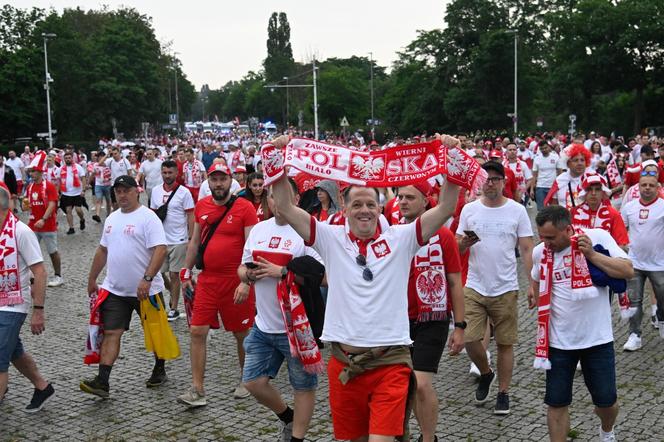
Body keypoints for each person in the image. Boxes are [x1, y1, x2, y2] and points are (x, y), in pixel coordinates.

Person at [270, 134, 461, 441]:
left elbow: (447, 207)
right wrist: (278, 160)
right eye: (356, 203)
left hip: (390, 363)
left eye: (371, 204)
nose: (364, 210)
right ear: (344, 207)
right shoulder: (329, 238)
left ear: (380, 208)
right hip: (344, 364)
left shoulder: (402, 238)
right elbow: (285, 207)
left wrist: (452, 158)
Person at [528, 206, 633, 442]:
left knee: (607, 402)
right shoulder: (540, 252)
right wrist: (533, 291)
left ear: (568, 229)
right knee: (556, 403)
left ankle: (607, 429)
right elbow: (535, 276)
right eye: (542, 237)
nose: (545, 243)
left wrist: (593, 256)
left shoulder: (597, 238)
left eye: (551, 237)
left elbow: (628, 270)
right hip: (557, 343)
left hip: (597, 340)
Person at [238, 180, 324, 442]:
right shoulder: (259, 230)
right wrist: (247, 275)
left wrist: (284, 272)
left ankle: (296, 438)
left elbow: (324, 275)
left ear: (296, 199)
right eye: (273, 196)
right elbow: (241, 267)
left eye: (284, 195)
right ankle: (288, 417)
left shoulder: (308, 231)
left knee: (302, 386)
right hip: (263, 325)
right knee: (252, 382)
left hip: (297, 329)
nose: (277, 202)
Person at [177, 162, 258, 407]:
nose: (219, 184)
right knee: (197, 331)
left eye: (223, 179)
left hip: (236, 281)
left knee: (242, 333)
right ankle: (197, 389)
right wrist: (185, 270)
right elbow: (194, 243)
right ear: (208, 181)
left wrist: (246, 281)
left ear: (231, 181)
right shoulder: (202, 206)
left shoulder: (245, 208)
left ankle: (248, 379)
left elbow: (252, 247)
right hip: (208, 280)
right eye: (214, 179)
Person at [456, 161, 534, 415]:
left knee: (505, 344)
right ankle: (486, 373)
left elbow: (526, 248)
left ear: (503, 181)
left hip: (506, 286)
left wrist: (533, 283)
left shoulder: (517, 211)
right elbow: (456, 246)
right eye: (486, 179)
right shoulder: (469, 210)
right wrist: (464, 244)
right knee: (470, 338)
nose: (490, 183)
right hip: (475, 285)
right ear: (479, 182)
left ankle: (503, 392)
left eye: (495, 179)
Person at [80, 175, 168, 397]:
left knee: (155, 333)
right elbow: (102, 250)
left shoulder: (149, 218)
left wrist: (147, 279)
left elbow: (160, 250)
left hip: (147, 290)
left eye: (126, 191)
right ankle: (102, 381)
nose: (122, 195)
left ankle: (160, 367)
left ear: (137, 191)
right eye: (118, 191)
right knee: (111, 332)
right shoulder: (111, 219)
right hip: (115, 290)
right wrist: (92, 278)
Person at [398, 182, 465, 442]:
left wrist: (460, 326)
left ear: (426, 201)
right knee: (407, 385)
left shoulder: (444, 236)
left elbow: (455, 282)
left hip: (432, 318)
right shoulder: (394, 232)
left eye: (410, 197)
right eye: (401, 197)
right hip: (399, 319)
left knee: (421, 383)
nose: (403, 201)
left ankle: (428, 439)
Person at [0, 182, 55, 412]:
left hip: (13, 304)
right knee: (13, 351)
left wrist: (38, 310)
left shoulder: (21, 231)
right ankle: (42, 387)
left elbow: (40, 271)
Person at [620, 170, 664, 351]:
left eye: (651, 185)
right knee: (634, 300)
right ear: (638, 187)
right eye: (643, 185)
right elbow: (621, 230)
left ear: (658, 187)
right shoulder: (629, 207)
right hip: (635, 263)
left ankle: (661, 318)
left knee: (662, 299)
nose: (647, 188)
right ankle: (634, 335)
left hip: (660, 263)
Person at [150, 161, 194, 322]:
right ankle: (172, 292)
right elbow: (152, 215)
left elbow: (190, 215)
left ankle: (174, 308)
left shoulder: (184, 192)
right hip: (161, 240)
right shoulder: (155, 191)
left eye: (170, 173)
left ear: (176, 174)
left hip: (179, 240)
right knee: (159, 273)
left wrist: (191, 238)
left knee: (175, 274)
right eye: (164, 172)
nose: (167, 175)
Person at [26, 153, 63, 287]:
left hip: (47, 225)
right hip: (32, 225)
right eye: (30, 171)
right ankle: (31, 276)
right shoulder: (30, 187)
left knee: (52, 251)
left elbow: (53, 203)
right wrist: (25, 206)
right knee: (29, 251)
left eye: (34, 171)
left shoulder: (49, 186)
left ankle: (58, 276)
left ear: (40, 172)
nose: (31, 174)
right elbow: (29, 203)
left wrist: (43, 219)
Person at [570, 173, 628, 249]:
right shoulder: (573, 212)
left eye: (597, 189)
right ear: (584, 193)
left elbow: (622, 245)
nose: (593, 193)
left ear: (603, 192)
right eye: (589, 189)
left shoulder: (613, 214)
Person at [546, 144, 590, 209]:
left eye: (582, 160)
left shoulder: (592, 179)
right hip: (564, 218)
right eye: (576, 160)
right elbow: (554, 205)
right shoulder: (559, 180)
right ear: (568, 164)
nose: (580, 163)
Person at [57, 151, 87, 235]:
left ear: (72, 158)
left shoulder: (78, 167)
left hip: (77, 192)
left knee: (78, 210)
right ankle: (71, 228)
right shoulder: (61, 169)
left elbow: (83, 178)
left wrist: (83, 190)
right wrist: (58, 192)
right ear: (64, 159)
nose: (68, 159)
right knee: (68, 211)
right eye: (66, 158)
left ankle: (82, 219)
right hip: (66, 193)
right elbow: (58, 181)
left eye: (69, 158)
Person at [530, 141, 561, 210]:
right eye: (542, 149)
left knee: (554, 209)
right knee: (541, 209)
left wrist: (560, 186)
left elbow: (560, 172)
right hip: (540, 187)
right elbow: (534, 175)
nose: (544, 150)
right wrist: (532, 189)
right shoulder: (537, 159)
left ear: (549, 147)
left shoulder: (555, 157)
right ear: (539, 149)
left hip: (553, 186)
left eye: (545, 148)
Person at [92, 155, 112, 223]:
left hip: (108, 185)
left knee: (108, 201)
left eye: (103, 158)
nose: (102, 160)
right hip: (98, 185)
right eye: (100, 158)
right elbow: (93, 174)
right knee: (98, 200)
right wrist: (88, 182)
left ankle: (108, 215)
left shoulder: (109, 165)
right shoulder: (96, 165)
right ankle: (97, 215)